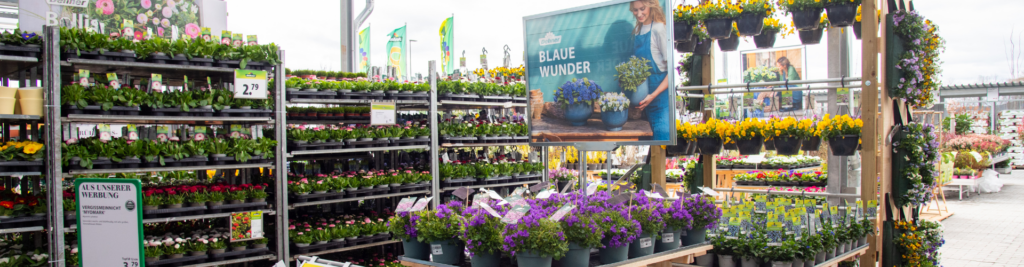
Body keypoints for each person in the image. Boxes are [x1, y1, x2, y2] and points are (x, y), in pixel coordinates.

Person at [631, 0, 672, 141]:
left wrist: (652, 96)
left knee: (661, 134)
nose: (639, 14)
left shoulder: (659, 29)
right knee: (646, 141)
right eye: (635, 10)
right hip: (643, 96)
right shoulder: (638, 30)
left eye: (642, 9)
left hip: (659, 96)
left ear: (651, 6)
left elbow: (671, 73)